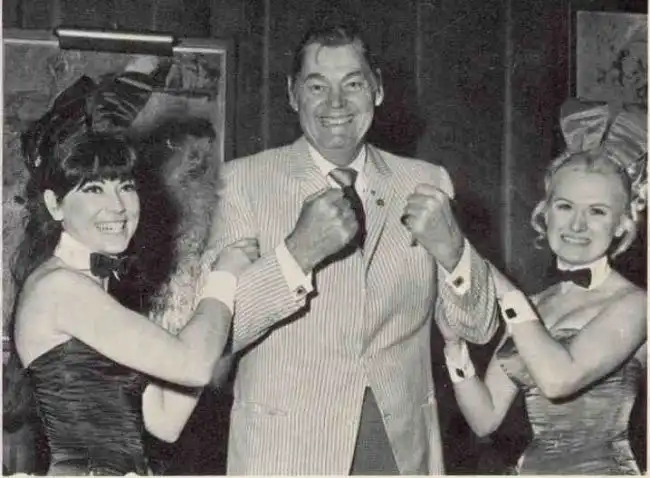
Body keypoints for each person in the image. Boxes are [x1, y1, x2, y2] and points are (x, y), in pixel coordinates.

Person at [206, 19, 499, 475]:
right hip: (284, 451)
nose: (336, 103)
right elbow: (213, 336)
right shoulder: (241, 183)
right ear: (292, 94)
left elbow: (478, 328)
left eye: (353, 83)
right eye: (317, 86)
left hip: (399, 451)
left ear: (378, 90)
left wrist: (453, 251)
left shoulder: (426, 180)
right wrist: (296, 254)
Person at [5, 71, 256, 475]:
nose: (118, 206)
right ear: (54, 204)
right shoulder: (59, 288)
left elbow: (165, 420)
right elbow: (192, 365)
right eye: (93, 189)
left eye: (124, 185)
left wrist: (215, 323)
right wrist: (223, 278)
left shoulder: (93, 291)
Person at [441, 99, 647, 474]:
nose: (577, 225)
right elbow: (485, 418)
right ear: (546, 212)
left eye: (597, 211)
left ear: (621, 225)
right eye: (565, 206)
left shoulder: (635, 304)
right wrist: (455, 349)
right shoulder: (532, 304)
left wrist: (479, 268)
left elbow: (558, 379)